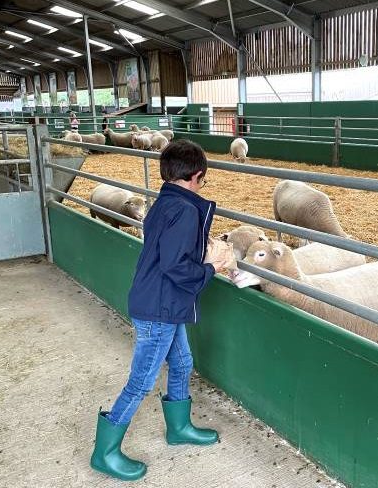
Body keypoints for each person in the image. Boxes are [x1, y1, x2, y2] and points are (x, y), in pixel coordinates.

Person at [90, 140, 229, 481]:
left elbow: (170, 251)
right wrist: (212, 267)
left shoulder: (165, 201)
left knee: (182, 362)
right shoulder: (184, 210)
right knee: (141, 382)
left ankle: (178, 427)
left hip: (162, 302)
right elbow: (176, 266)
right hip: (159, 307)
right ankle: (104, 452)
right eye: (203, 181)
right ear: (197, 176)